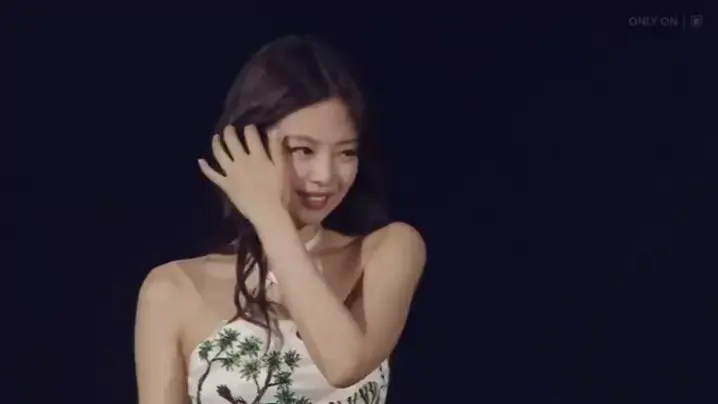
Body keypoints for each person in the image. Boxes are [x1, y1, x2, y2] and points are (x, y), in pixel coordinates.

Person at [134, 35, 426, 404]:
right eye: (303, 150)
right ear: (246, 147)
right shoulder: (171, 289)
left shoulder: (388, 250)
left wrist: (269, 218)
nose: (325, 175)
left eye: (346, 153)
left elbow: (344, 364)